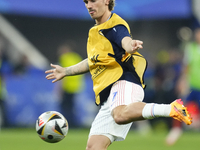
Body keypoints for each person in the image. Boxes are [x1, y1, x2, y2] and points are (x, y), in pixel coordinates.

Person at [45, 0, 192, 149]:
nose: (89, 5)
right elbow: (93, 61)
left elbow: (125, 40)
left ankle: (171, 108)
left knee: (120, 114)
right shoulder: (94, 32)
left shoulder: (114, 24)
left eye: (93, 1)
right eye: (86, 2)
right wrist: (66, 71)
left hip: (123, 81)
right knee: (93, 147)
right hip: (109, 95)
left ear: (106, 1)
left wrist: (130, 46)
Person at [166, 27, 200, 145]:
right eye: (197, 34)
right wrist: (182, 81)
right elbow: (186, 67)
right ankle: (176, 131)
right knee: (181, 106)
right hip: (192, 85)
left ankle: (194, 123)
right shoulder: (191, 48)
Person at [57, 42, 84, 127]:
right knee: (72, 107)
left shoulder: (64, 58)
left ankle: (64, 124)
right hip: (76, 87)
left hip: (67, 87)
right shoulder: (77, 57)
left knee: (65, 107)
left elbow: (62, 74)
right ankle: (73, 124)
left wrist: (59, 89)